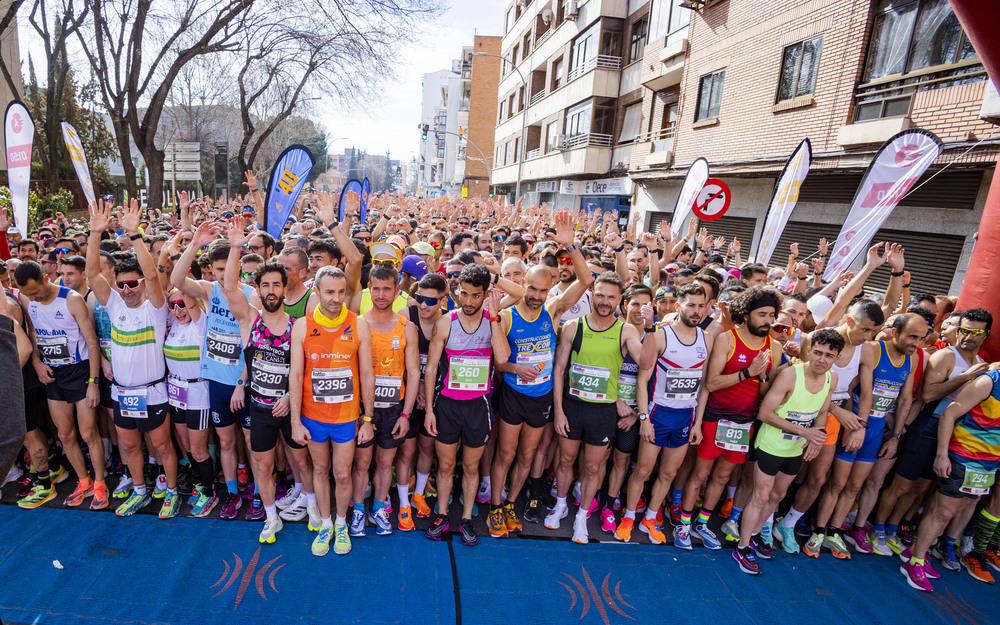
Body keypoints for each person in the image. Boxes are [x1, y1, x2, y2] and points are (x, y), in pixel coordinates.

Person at [490, 210, 592, 537]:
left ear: (550, 290)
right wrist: (516, 367)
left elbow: (587, 281)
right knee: (506, 454)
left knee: (527, 454)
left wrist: (571, 246)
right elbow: (500, 361)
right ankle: (495, 506)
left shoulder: (553, 311)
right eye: (530, 289)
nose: (535, 296)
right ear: (523, 285)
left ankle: (511, 503)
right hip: (514, 396)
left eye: (541, 290)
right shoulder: (507, 317)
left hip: (541, 398)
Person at [546, 271, 655, 544]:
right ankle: (560, 505)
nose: (605, 301)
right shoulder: (573, 326)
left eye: (611, 297)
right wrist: (558, 411)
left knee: (593, 469)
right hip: (572, 406)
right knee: (566, 461)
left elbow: (645, 363)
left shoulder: (626, 331)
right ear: (592, 294)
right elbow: (559, 371)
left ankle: (581, 517)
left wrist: (651, 329)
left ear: (619, 300)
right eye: (600, 295)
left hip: (603, 411)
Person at [86, 200, 179, 519]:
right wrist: (95, 233)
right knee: (128, 447)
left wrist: (135, 235)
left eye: (132, 284)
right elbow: (92, 273)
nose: (126, 290)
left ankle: (171, 492)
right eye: (121, 284)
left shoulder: (155, 307)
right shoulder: (112, 304)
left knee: (163, 447)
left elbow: (153, 275)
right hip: (122, 392)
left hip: (152, 391)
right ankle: (139, 490)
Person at [804, 312, 924, 559]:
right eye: (912, 336)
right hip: (855, 423)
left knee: (855, 485)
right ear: (895, 332)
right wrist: (858, 426)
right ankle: (818, 529)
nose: (916, 343)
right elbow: (856, 390)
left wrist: (896, 436)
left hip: (876, 430)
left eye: (921, 338)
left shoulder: (913, 360)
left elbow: (904, 401)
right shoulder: (871, 349)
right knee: (837, 482)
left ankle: (834, 530)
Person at [873, 308, 991, 559]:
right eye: (964, 329)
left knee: (920, 487)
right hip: (927, 426)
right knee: (901, 485)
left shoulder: (982, 364)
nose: (967, 336)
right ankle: (878, 529)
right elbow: (927, 394)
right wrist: (965, 378)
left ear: (985, 335)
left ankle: (893, 528)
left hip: (953, 433)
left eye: (975, 332)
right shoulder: (947, 356)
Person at [225, 219, 314, 544]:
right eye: (265, 286)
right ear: (258, 289)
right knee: (263, 467)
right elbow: (229, 288)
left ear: (284, 287)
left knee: (302, 462)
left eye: (277, 285)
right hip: (259, 408)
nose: (271, 291)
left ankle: (313, 509)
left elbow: (305, 372)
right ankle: (272, 517)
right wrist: (236, 247)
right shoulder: (250, 320)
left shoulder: (299, 326)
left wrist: (290, 399)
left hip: (291, 409)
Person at [678, 286, 782, 550]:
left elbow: (765, 392)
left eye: (771, 315)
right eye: (762, 314)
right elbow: (710, 383)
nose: (767, 321)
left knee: (722, 478)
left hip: (744, 423)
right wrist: (748, 372)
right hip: (716, 417)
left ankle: (702, 524)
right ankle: (684, 524)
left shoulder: (775, 347)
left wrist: (763, 377)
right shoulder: (727, 339)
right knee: (700, 475)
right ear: (746, 315)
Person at [169, 221, 259, 520]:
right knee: (227, 442)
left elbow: (252, 345)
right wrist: (193, 244)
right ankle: (232, 494)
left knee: (251, 443)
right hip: (216, 382)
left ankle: (259, 494)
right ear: (210, 270)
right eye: (218, 270)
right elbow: (177, 280)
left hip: (243, 383)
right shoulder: (207, 291)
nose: (224, 275)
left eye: (227, 269)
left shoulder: (250, 295)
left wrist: (241, 382)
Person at [776, 300, 883, 550]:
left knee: (818, 478)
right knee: (785, 474)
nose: (869, 336)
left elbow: (866, 394)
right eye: (865, 329)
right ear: (848, 321)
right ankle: (766, 520)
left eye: (874, 331)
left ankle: (788, 523)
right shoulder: (817, 340)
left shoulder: (866, 350)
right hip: (801, 412)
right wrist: (838, 411)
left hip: (832, 421)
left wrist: (860, 426)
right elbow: (808, 383)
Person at [733, 329, 842, 575]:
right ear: (809, 350)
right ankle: (742, 546)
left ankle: (753, 536)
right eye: (817, 352)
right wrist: (806, 433)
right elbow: (765, 414)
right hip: (771, 444)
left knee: (777, 496)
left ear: (837, 358)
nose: (821, 360)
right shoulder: (790, 376)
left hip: (795, 448)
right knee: (761, 496)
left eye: (828, 355)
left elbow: (822, 411)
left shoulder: (831, 379)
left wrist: (817, 436)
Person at [617, 283, 712, 546]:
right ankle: (628, 516)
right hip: (658, 414)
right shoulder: (660, 336)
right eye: (690, 305)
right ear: (678, 305)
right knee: (643, 471)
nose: (695, 311)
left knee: (668, 474)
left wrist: (698, 424)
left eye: (700, 306)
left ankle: (649, 517)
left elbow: (703, 386)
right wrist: (644, 417)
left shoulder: (707, 339)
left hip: (684, 417)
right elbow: (642, 378)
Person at [290, 266, 374, 557]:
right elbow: (296, 376)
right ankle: (325, 524)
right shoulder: (302, 325)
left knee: (341, 474)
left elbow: (367, 374)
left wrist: (368, 419)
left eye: (341, 292)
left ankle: (341, 524)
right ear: (316, 291)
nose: (336, 298)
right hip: (313, 417)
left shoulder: (358, 323)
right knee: (321, 470)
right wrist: (294, 421)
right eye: (330, 292)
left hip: (346, 417)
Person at [423, 264, 510, 546]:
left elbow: (502, 357)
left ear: (485, 295)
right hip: (447, 404)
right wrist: (428, 412)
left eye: (476, 295)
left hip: (478, 405)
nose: (469, 301)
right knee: (446, 466)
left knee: (471, 468)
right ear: (457, 292)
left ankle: (467, 519)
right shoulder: (446, 321)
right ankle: (443, 514)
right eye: (464, 294)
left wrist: (494, 316)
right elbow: (432, 367)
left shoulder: (494, 318)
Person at [14, 260, 105, 509]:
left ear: (46, 277)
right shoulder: (27, 299)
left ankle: (99, 483)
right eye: (27, 294)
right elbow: (32, 334)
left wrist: (93, 383)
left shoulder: (71, 299)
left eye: (35, 292)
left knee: (88, 433)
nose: (32, 298)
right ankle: (83, 481)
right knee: (65, 435)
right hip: (54, 374)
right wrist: (36, 362)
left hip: (80, 372)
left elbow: (92, 341)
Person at [901, 368, 1000, 592]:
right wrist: (942, 454)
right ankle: (914, 562)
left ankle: (917, 549)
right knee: (943, 513)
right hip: (963, 456)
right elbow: (949, 413)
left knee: (962, 507)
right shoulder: (988, 382)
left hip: (989, 464)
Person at [351, 262, 420, 535]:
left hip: (393, 408)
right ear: (369, 288)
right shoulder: (357, 324)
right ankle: (357, 510)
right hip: (362, 408)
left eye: (386, 289)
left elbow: (414, 373)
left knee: (384, 463)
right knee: (361, 463)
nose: (381, 295)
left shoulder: (407, 327)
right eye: (376, 289)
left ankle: (379, 507)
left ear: (397, 290)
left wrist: (406, 414)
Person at [162, 285, 216, 517]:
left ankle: (209, 492)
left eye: (182, 304)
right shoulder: (173, 324)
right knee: (187, 448)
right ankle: (198, 483)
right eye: (172, 305)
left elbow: (184, 292)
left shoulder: (199, 322)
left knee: (198, 449)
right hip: (176, 394)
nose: (177, 310)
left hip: (197, 394)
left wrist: (181, 283)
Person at [278, 246, 319, 319]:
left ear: (302, 273)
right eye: (277, 268)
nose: (279, 273)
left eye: (285, 269)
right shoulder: (274, 296)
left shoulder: (313, 299)